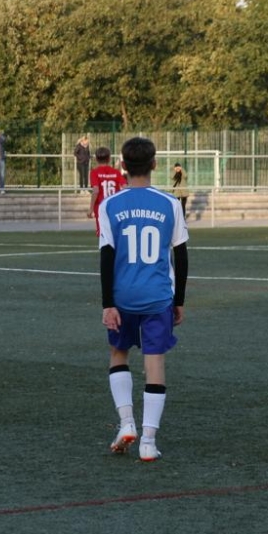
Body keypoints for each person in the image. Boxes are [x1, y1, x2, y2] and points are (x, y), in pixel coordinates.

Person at [98, 136, 189, 462]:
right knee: (155, 363)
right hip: (158, 297)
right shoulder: (169, 203)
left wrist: (108, 303)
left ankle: (126, 423)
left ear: (122, 166)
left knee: (118, 353)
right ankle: (148, 442)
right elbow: (181, 255)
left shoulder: (109, 205)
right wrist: (179, 300)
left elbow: (106, 258)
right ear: (154, 164)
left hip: (122, 296)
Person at [88, 146, 126, 235]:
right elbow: (125, 187)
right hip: (115, 207)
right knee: (115, 233)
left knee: (103, 234)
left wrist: (91, 209)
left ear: (96, 159)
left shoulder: (94, 172)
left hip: (101, 207)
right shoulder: (116, 172)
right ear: (109, 159)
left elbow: (96, 190)